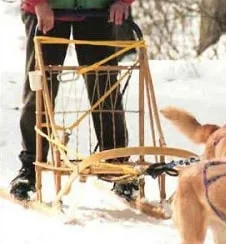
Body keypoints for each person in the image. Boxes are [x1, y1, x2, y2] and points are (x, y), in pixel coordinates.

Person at [10, 0, 138, 201]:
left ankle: (116, 163)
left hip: (99, 12)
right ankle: (30, 166)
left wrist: (123, 2)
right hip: (45, 10)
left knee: (105, 89)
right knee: (40, 88)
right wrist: (38, 3)